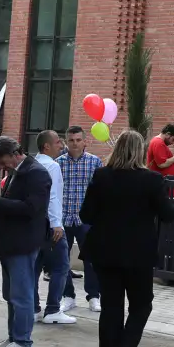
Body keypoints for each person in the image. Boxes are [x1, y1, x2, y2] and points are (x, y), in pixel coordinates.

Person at [74, 130, 174, 347]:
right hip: (138, 254)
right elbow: (168, 214)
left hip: (105, 252)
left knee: (111, 308)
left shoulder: (102, 175)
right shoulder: (152, 180)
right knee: (141, 305)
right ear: (140, 151)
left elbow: (86, 215)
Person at [0, 136, 51, 347]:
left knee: (21, 294)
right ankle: (14, 337)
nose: (2, 167)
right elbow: (13, 205)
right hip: (11, 243)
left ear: (14, 154)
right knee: (11, 294)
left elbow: (31, 208)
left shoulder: (36, 173)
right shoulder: (18, 171)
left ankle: (22, 341)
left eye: (3, 162)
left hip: (23, 243)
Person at [58, 125, 102, 313]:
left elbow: (101, 192)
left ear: (85, 141)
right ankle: (68, 296)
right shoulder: (58, 163)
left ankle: (94, 296)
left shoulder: (95, 162)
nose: (75, 144)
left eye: (78, 140)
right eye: (71, 140)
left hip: (86, 220)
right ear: (66, 142)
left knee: (91, 259)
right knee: (62, 260)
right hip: (64, 219)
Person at [33, 130, 74, 325]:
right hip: (51, 225)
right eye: (58, 142)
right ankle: (53, 309)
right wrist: (57, 223)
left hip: (35, 224)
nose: (62, 145)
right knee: (61, 266)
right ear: (46, 146)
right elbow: (53, 196)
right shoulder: (52, 166)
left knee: (35, 266)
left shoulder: (33, 163)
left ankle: (33, 308)